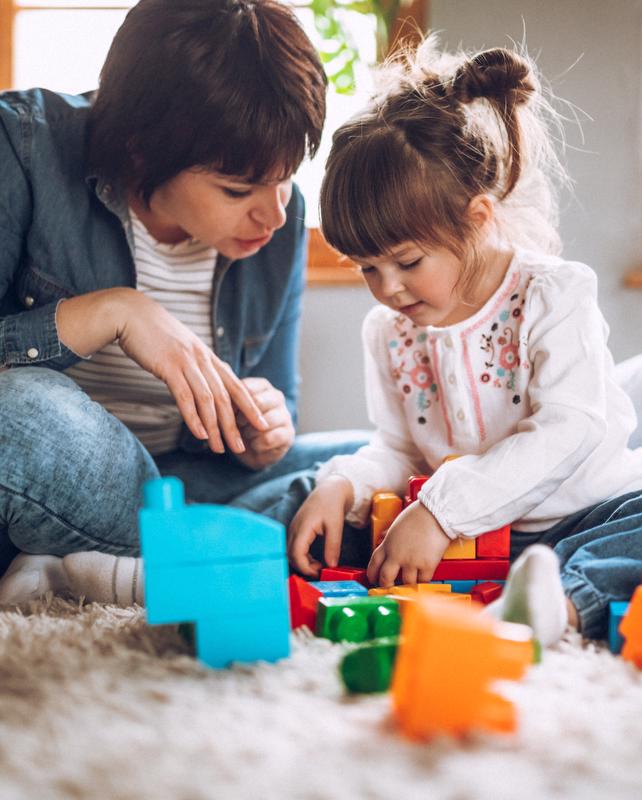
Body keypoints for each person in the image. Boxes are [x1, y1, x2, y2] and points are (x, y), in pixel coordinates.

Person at [284, 41, 642, 645]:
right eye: (365, 268)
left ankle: (556, 603)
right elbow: (398, 448)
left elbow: (572, 428)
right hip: (462, 542)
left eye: (407, 261)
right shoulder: (388, 331)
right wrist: (346, 485)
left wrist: (441, 512)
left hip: (577, 524)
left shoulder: (553, 294)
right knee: (316, 505)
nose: (386, 288)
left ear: (478, 218)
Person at [0, 0, 367, 606]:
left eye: (286, 179)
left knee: (373, 464)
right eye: (237, 189)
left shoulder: (281, 215)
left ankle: (90, 566)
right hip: (69, 463)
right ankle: (207, 554)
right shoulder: (23, 146)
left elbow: (276, 405)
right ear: (142, 150)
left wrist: (263, 435)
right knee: (17, 410)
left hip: (187, 480)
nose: (275, 214)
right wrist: (114, 312)